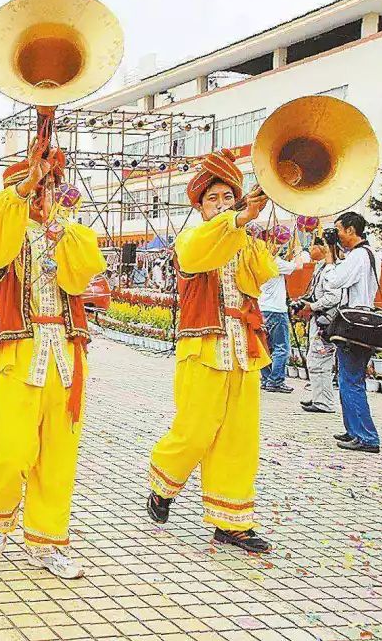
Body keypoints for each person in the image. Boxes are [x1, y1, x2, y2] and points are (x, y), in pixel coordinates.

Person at [0, 142, 105, 579]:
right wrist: (26, 185)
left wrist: (60, 224)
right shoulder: (5, 234)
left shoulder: (71, 231)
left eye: (50, 185)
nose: (44, 193)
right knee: (11, 451)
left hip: (67, 352)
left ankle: (46, 541)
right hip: (21, 350)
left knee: (58, 455)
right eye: (36, 186)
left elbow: (82, 273)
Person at [147, 149, 277, 554]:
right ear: (200, 206)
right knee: (197, 429)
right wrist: (237, 219)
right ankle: (162, 484)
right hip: (203, 347)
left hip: (244, 348)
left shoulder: (244, 240)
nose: (220, 205)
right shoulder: (191, 237)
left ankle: (231, 522)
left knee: (239, 438)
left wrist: (256, 221)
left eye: (227, 198)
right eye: (212, 199)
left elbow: (264, 278)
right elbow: (200, 250)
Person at [328, 211, 381, 454]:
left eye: (338, 230)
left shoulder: (358, 255)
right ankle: (354, 429)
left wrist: (331, 256)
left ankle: (366, 436)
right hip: (363, 324)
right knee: (350, 378)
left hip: (355, 325)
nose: (336, 236)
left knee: (351, 381)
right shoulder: (368, 254)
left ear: (351, 230)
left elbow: (335, 281)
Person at [291, 231, 342, 414]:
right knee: (316, 360)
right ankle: (320, 398)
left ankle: (325, 403)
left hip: (326, 321)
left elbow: (333, 296)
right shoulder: (321, 266)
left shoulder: (331, 269)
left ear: (324, 247)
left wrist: (312, 306)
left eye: (313, 244)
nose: (310, 249)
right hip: (319, 319)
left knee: (320, 361)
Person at [259, 239, 309, 393]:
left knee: (266, 347)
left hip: (262, 308)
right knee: (282, 347)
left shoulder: (259, 261)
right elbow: (298, 266)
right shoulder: (275, 262)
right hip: (276, 310)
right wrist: (297, 251)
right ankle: (276, 380)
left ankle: (267, 378)